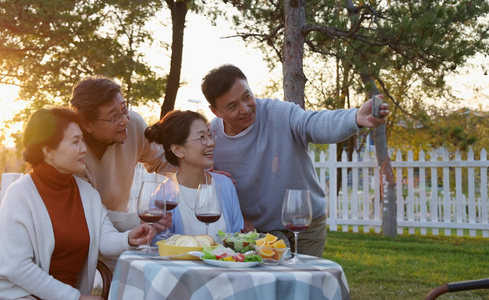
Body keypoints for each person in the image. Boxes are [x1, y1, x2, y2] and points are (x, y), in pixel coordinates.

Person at [201, 64, 390, 257]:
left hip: (306, 223)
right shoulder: (210, 140)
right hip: (260, 231)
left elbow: (314, 124)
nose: (245, 108)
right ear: (215, 111)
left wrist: (355, 118)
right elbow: (200, 182)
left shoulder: (278, 113)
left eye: (247, 96)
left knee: (307, 283)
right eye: (233, 106)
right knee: (275, 285)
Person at [0, 108, 155, 300]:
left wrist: (129, 238)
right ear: (48, 150)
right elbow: (16, 267)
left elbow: (104, 239)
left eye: (82, 140)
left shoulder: (87, 193)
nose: (84, 149)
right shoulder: (20, 194)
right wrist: (75, 298)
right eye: (75, 142)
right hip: (12, 295)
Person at [69, 75, 174, 233]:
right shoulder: (72, 152)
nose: (125, 120)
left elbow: (161, 161)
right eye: (114, 117)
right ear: (87, 124)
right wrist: (139, 220)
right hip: (84, 233)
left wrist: (203, 174)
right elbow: (89, 212)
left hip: (125, 233)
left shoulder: (133, 125)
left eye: (124, 109)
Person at [145, 110, 244, 237]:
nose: (211, 143)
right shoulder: (162, 195)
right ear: (178, 150)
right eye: (202, 137)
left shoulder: (225, 185)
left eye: (209, 135)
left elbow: (238, 239)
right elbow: (158, 247)